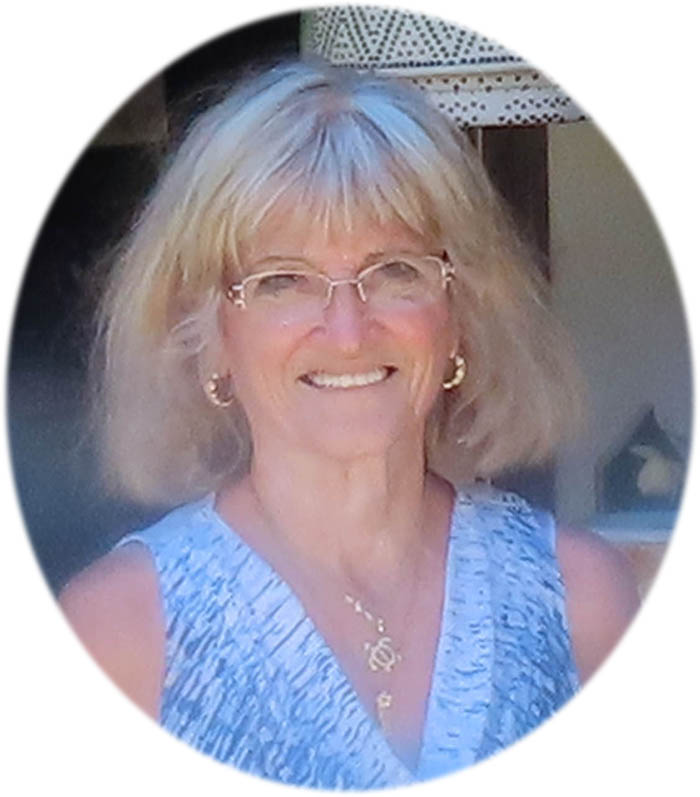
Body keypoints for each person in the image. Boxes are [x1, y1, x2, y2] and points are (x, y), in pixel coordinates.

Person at [59, 59, 639, 788]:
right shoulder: (116, 636)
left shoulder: (582, 596)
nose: (348, 331)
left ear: (461, 313)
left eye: (396, 271)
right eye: (283, 281)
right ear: (204, 333)